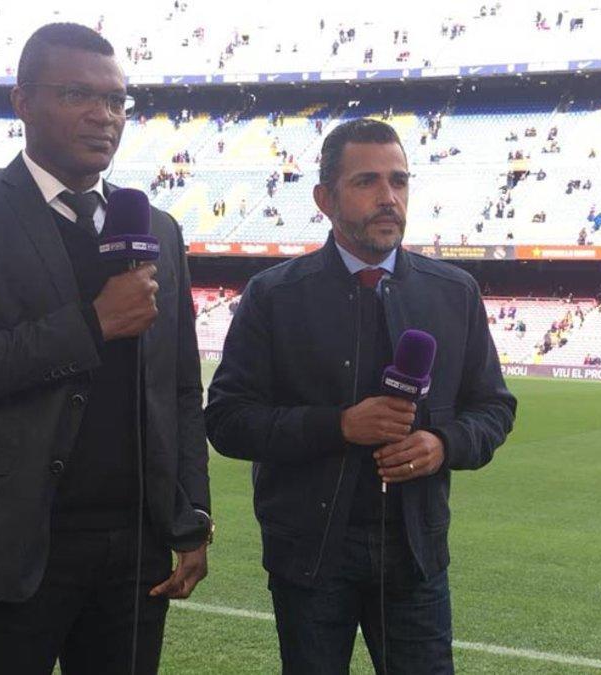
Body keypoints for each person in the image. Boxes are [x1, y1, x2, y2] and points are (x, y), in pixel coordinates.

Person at [0, 23, 212, 674]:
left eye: (117, 100)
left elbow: (181, 388)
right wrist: (92, 324)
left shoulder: (158, 228)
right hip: (12, 543)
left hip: (136, 552)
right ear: (22, 102)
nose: (105, 115)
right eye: (78, 94)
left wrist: (193, 516)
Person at [205, 118, 517, 674]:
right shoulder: (274, 295)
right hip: (309, 556)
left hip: (416, 554)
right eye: (367, 181)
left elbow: (494, 408)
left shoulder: (454, 292)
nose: (388, 197)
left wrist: (443, 445)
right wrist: (339, 425)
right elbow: (228, 421)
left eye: (399, 180)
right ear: (324, 199)